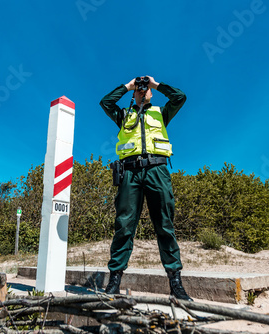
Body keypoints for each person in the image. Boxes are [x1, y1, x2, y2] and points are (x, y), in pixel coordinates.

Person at [99, 75, 192, 301]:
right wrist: (128, 86)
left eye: (145, 89)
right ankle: (114, 281)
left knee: (165, 224)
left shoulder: (161, 113)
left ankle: (176, 283)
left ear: (150, 92)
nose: (142, 91)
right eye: (138, 90)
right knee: (124, 225)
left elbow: (180, 97)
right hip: (129, 172)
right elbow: (105, 102)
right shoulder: (124, 115)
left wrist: (155, 84)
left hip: (157, 170)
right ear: (133, 94)